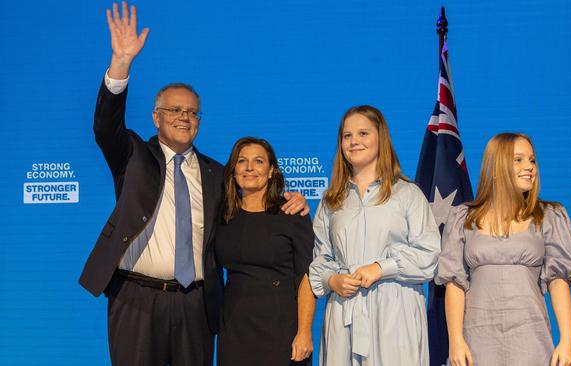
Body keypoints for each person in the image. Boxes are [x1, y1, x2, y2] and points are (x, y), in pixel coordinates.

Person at [78, 3, 307, 365]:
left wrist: (290, 202)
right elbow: (105, 125)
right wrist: (120, 64)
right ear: (156, 117)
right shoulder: (132, 155)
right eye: (174, 110)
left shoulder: (218, 173)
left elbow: (252, 205)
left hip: (195, 305)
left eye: (191, 112)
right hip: (136, 299)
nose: (184, 117)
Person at [435, 132, 571, 366]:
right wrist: (456, 340)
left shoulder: (549, 216)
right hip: (477, 340)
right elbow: (454, 283)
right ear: (496, 167)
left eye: (532, 160)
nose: (529, 167)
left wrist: (568, 341)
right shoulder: (462, 218)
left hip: (531, 338)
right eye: (519, 160)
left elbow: (558, 282)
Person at [309, 105, 441, 366]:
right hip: (344, 312)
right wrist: (332, 279)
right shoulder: (332, 200)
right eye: (347, 136)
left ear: (381, 139)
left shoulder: (407, 194)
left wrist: (382, 267)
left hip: (396, 312)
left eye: (363, 133)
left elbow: (429, 255)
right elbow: (320, 259)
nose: (354, 141)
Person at [215, 137, 316, 365]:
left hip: (281, 329)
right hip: (234, 328)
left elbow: (307, 277)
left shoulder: (291, 213)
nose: (250, 167)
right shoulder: (222, 215)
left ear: (271, 171)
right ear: (233, 170)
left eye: (258, 161)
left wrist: (304, 332)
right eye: (242, 161)